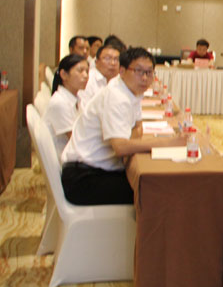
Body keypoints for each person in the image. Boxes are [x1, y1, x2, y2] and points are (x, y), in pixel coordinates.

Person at [60, 47, 186, 205]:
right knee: (156, 190)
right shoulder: (116, 96)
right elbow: (120, 147)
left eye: (149, 72)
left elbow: (137, 127)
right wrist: (168, 143)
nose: (144, 78)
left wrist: (129, 143)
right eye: (138, 71)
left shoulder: (130, 90)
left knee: (157, 183)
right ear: (122, 71)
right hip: (83, 177)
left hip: (97, 167)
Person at [44, 54, 89, 158]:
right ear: (64, 74)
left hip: (75, 153)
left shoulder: (76, 98)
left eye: (87, 71)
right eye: (80, 71)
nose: (86, 75)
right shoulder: (60, 103)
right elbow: (76, 140)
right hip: (69, 158)